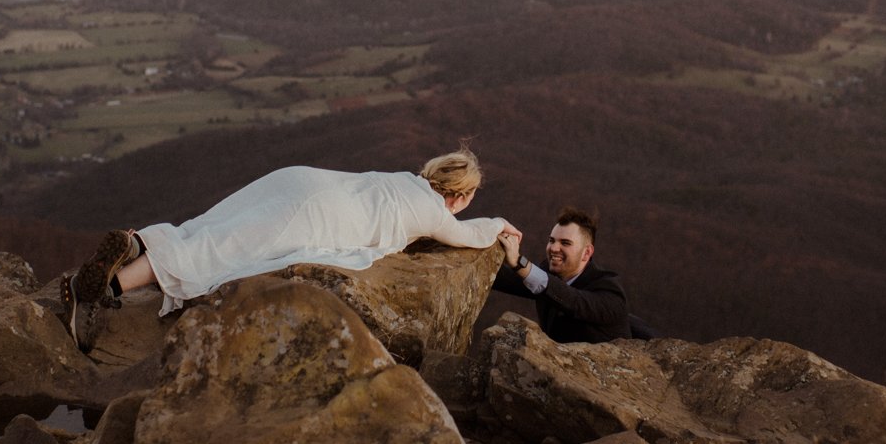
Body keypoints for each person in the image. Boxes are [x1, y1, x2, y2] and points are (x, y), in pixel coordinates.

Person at [61, 149, 511, 329]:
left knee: (213, 228)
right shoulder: (434, 211)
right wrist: (500, 226)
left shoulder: (404, 181)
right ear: (462, 194)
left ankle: (136, 247)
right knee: (220, 252)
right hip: (318, 216)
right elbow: (469, 235)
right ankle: (107, 288)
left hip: (298, 181)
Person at [492, 206, 634, 344]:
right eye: (551, 240)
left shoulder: (610, 293)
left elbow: (573, 300)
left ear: (587, 252)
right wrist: (487, 230)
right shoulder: (549, 272)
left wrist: (519, 262)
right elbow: (503, 278)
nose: (554, 248)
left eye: (565, 243)